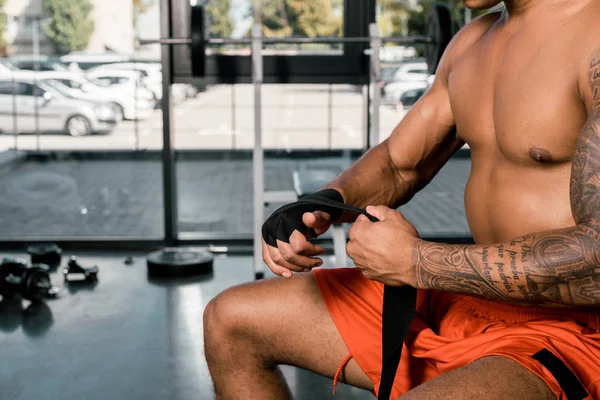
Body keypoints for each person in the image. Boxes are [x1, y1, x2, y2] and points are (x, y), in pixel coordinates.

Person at [203, 0, 600, 398]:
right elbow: (400, 164)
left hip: (578, 330)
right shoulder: (474, 40)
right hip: (471, 300)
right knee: (231, 320)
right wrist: (324, 202)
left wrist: (417, 261)